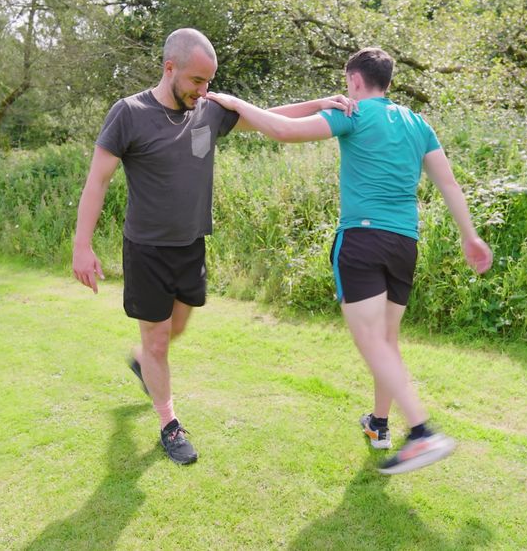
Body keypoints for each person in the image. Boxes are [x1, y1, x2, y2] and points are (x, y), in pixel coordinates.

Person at [71, 28, 355, 465]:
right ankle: (169, 424)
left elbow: (265, 116)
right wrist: (82, 244)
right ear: (170, 69)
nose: (204, 91)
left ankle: (140, 362)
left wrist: (320, 104)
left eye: (208, 82)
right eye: (196, 81)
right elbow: (98, 180)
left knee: (175, 330)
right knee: (160, 341)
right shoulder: (128, 113)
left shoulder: (205, 111)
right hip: (146, 248)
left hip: (190, 246)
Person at [206, 47, 493, 474]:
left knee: (372, 343)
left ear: (355, 80)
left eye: (346, 85)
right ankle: (380, 425)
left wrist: (233, 102)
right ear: (388, 81)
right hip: (404, 244)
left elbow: (283, 131)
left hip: (361, 239)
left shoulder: (353, 112)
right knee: (387, 343)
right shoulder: (417, 123)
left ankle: (421, 433)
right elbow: (448, 182)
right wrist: (470, 235)